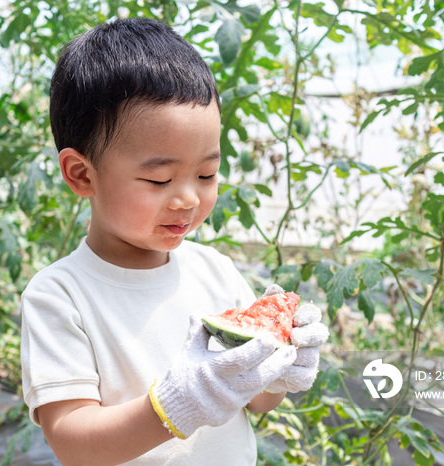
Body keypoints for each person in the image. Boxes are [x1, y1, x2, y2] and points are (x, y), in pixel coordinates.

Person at [20, 17, 329, 465]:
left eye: (206, 174)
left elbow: (257, 402)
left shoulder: (214, 270)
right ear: (82, 175)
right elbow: (73, 442)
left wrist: (279, 369)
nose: (188, 197)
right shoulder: (59, 296)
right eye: (159, 178)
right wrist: (176, 404)